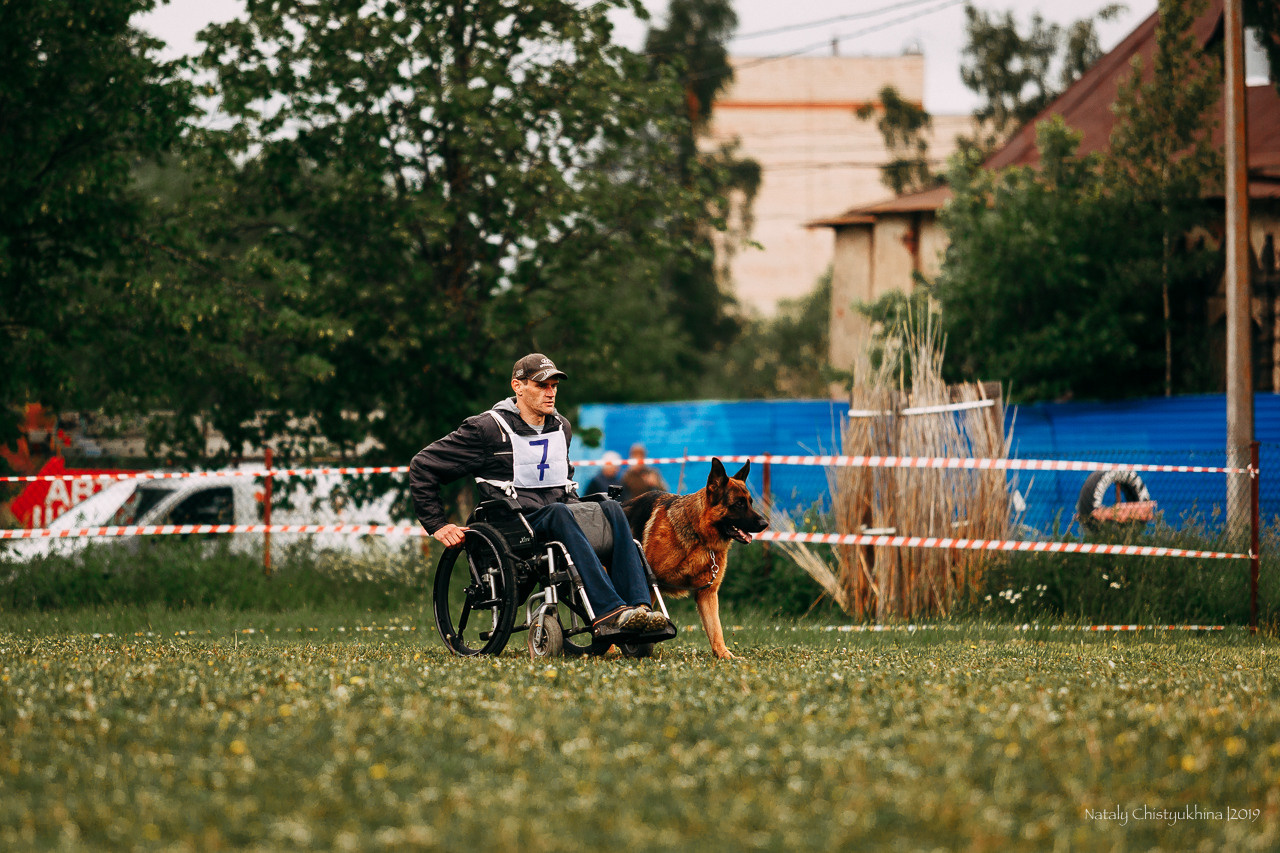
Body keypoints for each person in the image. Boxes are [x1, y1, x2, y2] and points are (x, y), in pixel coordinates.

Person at [409, 353, 670, 636]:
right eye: (542, 385)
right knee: (559, 513)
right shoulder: (486, 429)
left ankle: (639, 611)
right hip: (514, 523)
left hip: (561, 515)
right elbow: (424, 465)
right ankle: (609, 611)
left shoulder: (562, 427)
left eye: (554, 386)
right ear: (517, 386)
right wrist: (437, 524)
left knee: (611, 507)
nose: (551, 392)